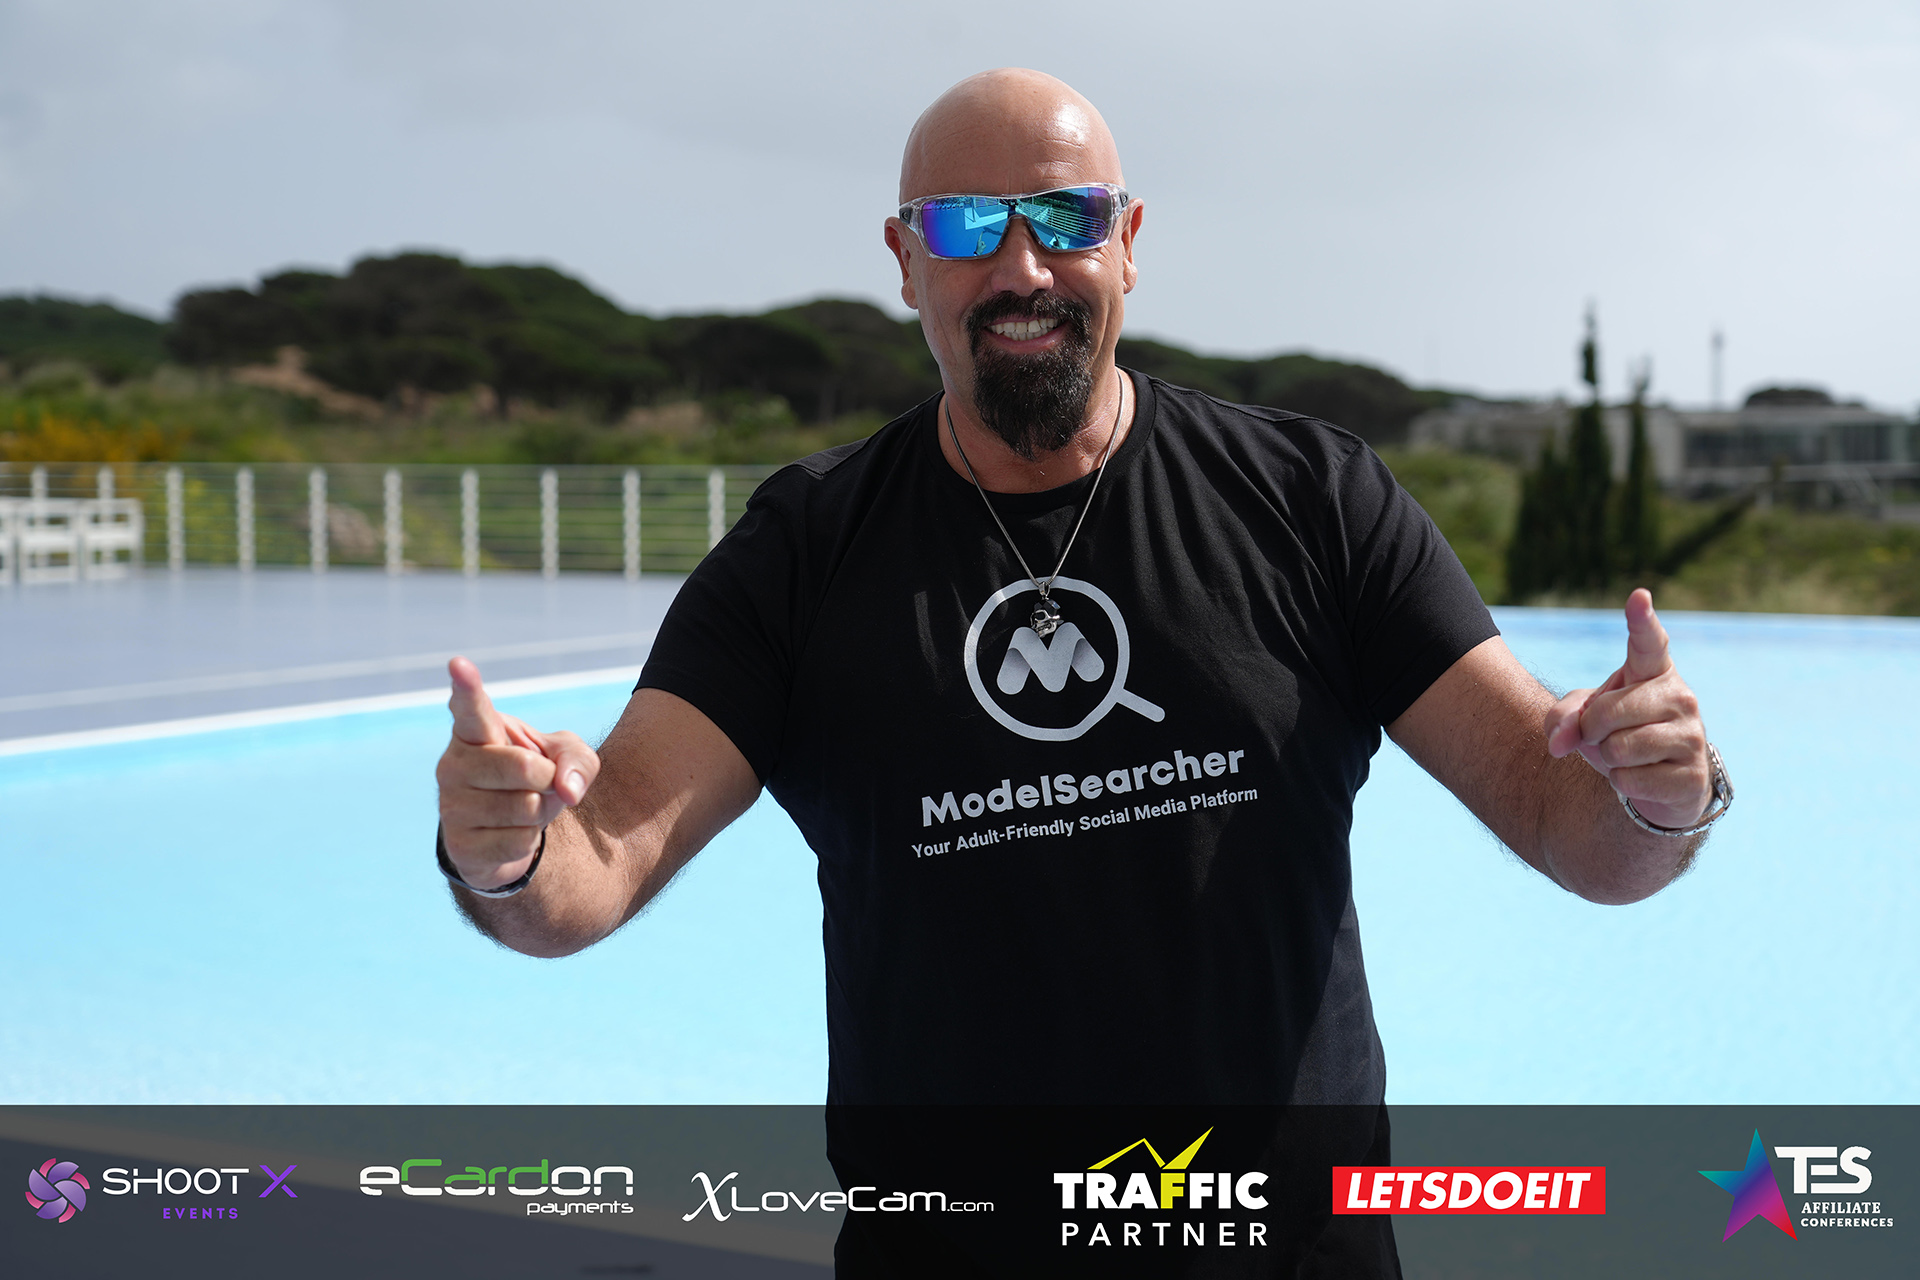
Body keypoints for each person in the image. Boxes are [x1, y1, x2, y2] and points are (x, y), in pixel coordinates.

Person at [433, 68, 1728, 1272]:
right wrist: (508, 851)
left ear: (1128, 241)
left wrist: (1657, 792)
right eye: (965, 226)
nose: (1022, 266)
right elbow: (594, 861)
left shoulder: (1312, 503)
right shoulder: (804, 556)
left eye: (1066, 216)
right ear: (904, 261)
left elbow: (1567, 821)